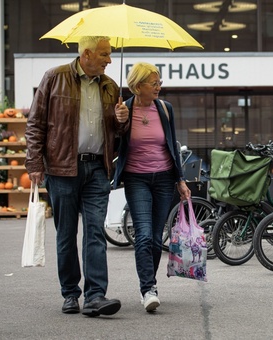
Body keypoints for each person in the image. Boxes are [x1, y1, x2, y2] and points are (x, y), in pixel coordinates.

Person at [25, 36, 130, 317]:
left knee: (95, 232)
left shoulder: (110, 86)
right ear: (87, 54)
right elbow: (35, 123)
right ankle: (70, 292)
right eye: (105, 54)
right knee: (66, 234)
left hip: (97, 168)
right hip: (62, 168)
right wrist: (34, 162)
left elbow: (116, 134)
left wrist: (122, 120)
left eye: (109, 55)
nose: (109, 59)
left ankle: (95, 295)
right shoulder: (54, 78)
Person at [113, 62, 191, 312]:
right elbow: (113, 145)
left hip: (164, 179)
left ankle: (150, 285)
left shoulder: (165, 109)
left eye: (160, 82)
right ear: (137, 86)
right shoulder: (123, 110)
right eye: (154, 83)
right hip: (137, 179)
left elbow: (172, 146)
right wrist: (118, 123)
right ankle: (148, 289)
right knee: (144, 235)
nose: (159, 86)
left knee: (157, 239)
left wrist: (180, 179)